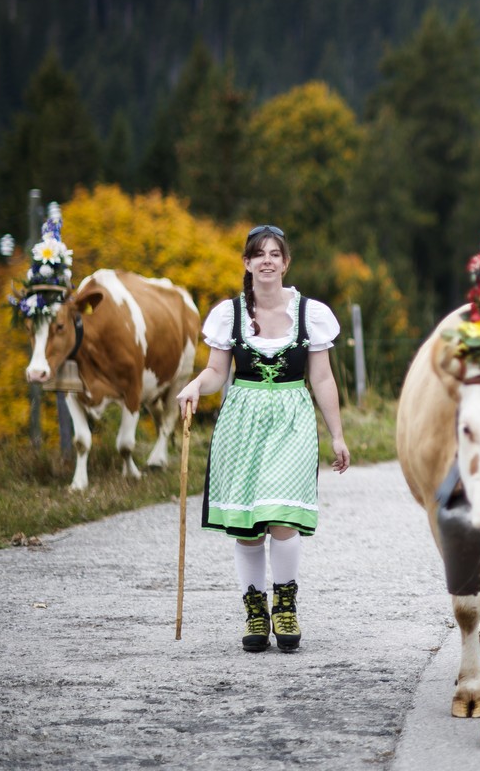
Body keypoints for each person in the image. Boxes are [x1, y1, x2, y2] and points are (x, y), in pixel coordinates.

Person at [176, 225, 350, 653]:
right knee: (249, 527)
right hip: (242, 421)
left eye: (276, 253)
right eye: (259, 254)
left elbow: (322, 377)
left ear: (286, 263)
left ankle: (285, 604)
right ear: (248, 263)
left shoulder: (311, 313)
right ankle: (255, 610)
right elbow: (218, 373)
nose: (267, 260)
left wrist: (338, 436)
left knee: (283, 517)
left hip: (292, 419)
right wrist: (196, 385)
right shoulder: (228, 313)